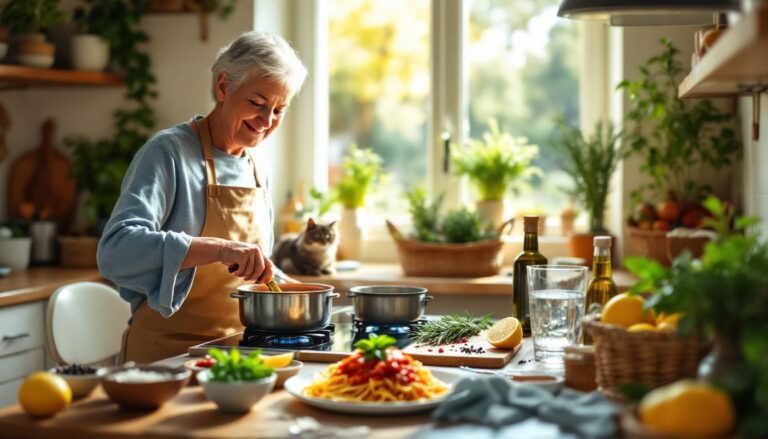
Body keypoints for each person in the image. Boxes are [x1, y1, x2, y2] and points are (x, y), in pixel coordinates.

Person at [98, 32, 307, 363]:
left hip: (238, 356)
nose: (267, 122)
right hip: (167, 358)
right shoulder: (167, 153)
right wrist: (219, 249)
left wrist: (299, 293)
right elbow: (115, 251)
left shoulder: (255, 168)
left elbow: (252, 268)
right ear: (223, 87)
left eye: (279, 110)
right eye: (257, 103)